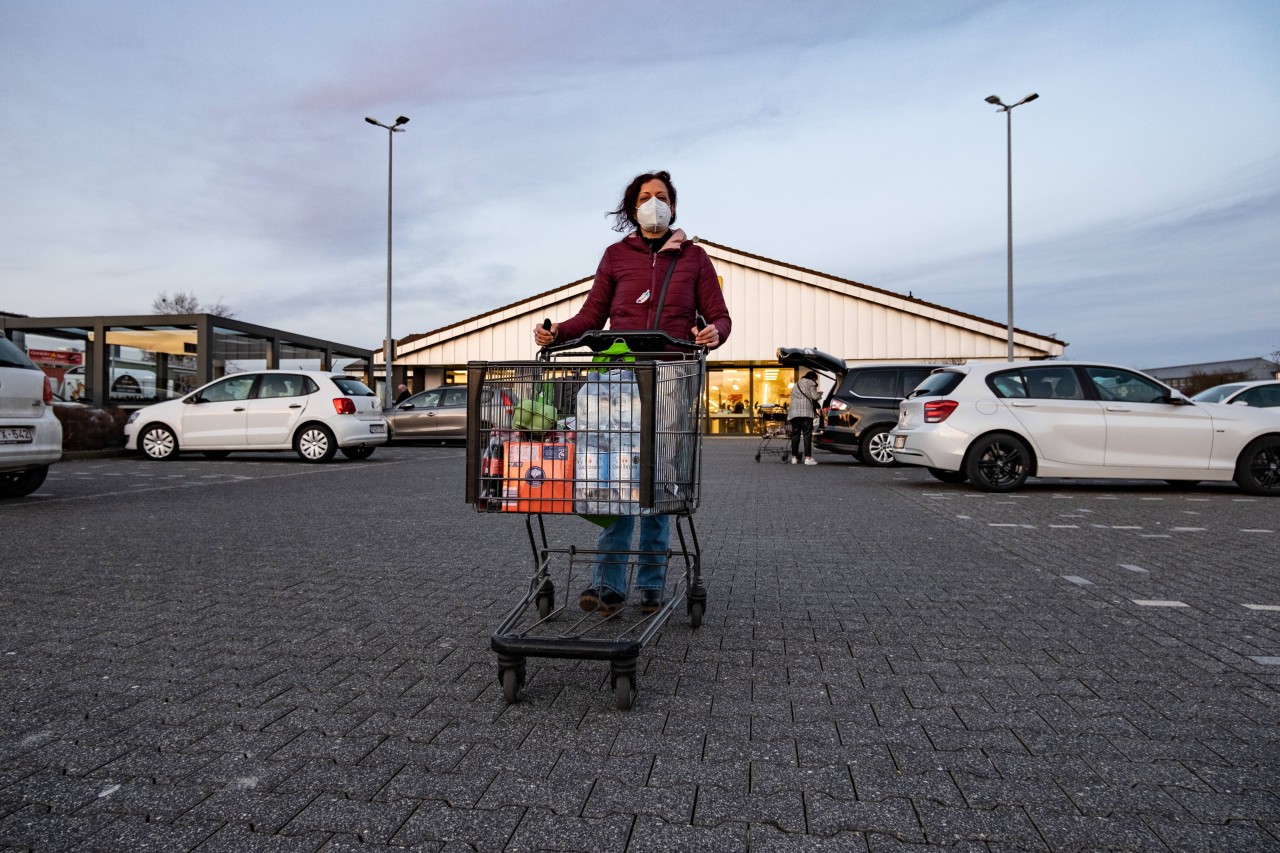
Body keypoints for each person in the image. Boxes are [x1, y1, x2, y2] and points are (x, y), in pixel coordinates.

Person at [534, 170, 731, 616]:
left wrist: (713, 333)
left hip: (670, 377)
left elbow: (719, 316)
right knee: (617, 478)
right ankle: (607, 585)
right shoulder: (615, 256)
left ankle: (650, 584)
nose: (654, 204)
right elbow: (592, 315)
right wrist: (557, 332)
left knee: (659, 479)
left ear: (673, 207)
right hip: (620, 379)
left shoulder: (695, 259)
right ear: (632, 208)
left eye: (661, 197)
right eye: (645, 197)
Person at [789, 370, 821, 465]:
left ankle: (794, 458)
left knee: (795, 435)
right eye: (816, 379)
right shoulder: (811, 383)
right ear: (813, 378)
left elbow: (792, 397)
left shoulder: (796, 384)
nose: (816, 381)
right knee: (807, 435)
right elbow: (814, 397)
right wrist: (820, 394)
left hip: (794, 413)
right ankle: (808, 458)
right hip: (805, 413)